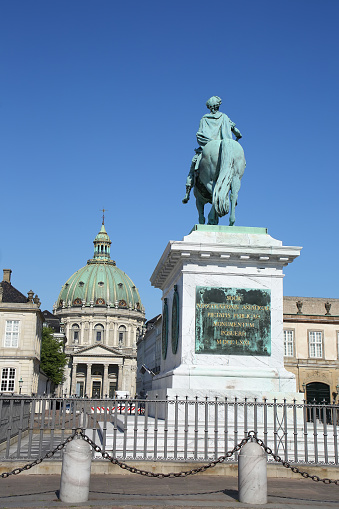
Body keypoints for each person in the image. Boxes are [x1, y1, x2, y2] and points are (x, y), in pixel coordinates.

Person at [183, 96, 242, 202]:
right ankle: (233, 192)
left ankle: (187, 194)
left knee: (193, 167)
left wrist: (209, 141)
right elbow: (237, 133)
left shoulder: (204, 118)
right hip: (225, 146)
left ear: (209, 107)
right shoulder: (224, 117)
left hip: (207, 145)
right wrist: (236, 132)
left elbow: (199, 134)